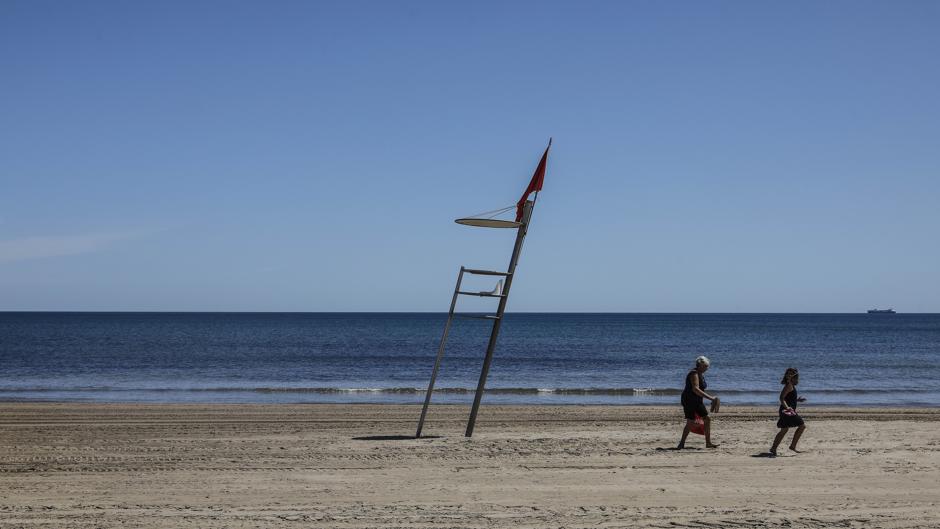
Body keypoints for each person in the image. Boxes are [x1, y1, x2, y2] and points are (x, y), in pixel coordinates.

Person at [677, 355, 720, 449]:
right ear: (700, 365)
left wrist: (712, 399)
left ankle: (708, 443)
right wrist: (711, 398)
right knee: (690, 421)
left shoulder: (701, 374)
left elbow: (700, 390)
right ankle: (681, 443)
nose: (707, 368)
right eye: (705, 366)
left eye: (707, 366)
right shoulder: (694, 374)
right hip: (689, 400)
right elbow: (695, 389)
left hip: (697, 400)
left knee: (707, 419)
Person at [770, 367, 807, 456]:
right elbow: (781, 398)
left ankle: (773, 448)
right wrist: (788, 408)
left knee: (784, 429)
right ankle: (792, 446)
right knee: (802, 426)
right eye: (789, 374)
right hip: (787, 411)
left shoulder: (791, 385)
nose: (791, 376)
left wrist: (797, 400)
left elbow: (788, 398)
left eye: (792, 375)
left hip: (785, 410)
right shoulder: (789, 385)